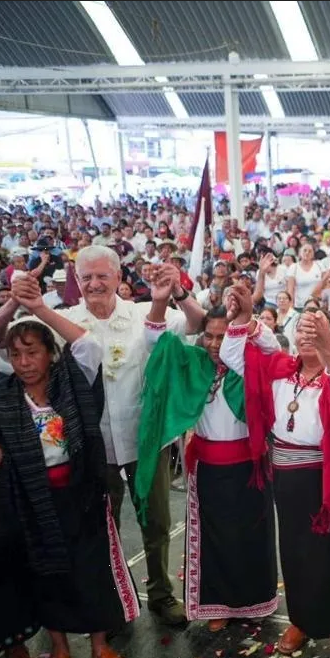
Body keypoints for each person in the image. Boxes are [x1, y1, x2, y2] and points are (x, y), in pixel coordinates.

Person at [0, 246, 204, 626]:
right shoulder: (62, 319)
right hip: (90, 448)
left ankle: (161, 594)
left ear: (119, 277)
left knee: (156, 522)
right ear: (76, 280)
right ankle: (114, 601)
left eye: (103, 275)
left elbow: (198, 324)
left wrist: (179, 292)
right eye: (86, 277)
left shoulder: (144, 312)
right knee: (102, 528)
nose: (94, 284)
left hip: (145, 441)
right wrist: (15, 302)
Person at [0, 275, 140, 658]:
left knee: (91, 573)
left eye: (32, 352)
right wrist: (11, 307)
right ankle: (59, 650)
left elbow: (89, 345)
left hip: (81, 494)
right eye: (15, 354)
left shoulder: (70, 382)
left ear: (50, 353)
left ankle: (99, 645)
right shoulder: (2, 401)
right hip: (34, 502)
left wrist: (37, 308)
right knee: (48, 576)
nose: (24, 362)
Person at [220, 285, 330, 658]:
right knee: (297, 552)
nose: (308, 336)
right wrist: (244, 318)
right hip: (291, 475)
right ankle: (302, 621)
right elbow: (231, 354)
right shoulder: (278, 369)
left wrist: (328, 347)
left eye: (317, 330)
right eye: (303, 330)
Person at [138, 264, 278, 631]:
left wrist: (246, 318)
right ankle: (219, 605)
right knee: (214, 539)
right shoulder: (195, 363)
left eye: (223, 336)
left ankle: (252, 602)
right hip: (207, 468)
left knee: (251, 535)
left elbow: (273, 346)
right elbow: (157, 344)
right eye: (210, 336)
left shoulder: (250, 364)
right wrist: (160, 301)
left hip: (249, 468)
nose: (215, 345)